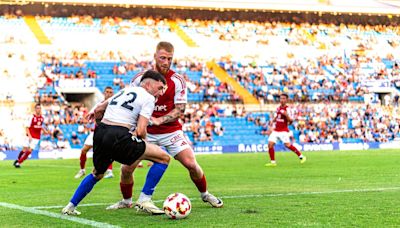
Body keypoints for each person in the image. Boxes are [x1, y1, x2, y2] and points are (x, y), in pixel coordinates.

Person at [107, 41, 223, 214]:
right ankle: (126, 201)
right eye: (162, 58)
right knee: (126, 169)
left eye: (169, 59)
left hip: (171, 131)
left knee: (191, 163)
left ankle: (205, 194)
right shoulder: (140, 78)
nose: (166, 62)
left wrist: (160, 120)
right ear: (155, 57)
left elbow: (180, 109)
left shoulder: (178, 80)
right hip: (146, 131)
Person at [62, 70, 170, 216]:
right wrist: (145, 144)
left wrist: (103, 127)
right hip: (119, 135)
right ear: (148, 84)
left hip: (100, 133)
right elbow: (141, 129)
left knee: (97, 174)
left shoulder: (124, 90)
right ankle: (145, 199)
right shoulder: (148, 98)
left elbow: (98, 110)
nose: (161, 93)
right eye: (160, 88)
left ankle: (70, 206)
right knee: (163, 158)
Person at [74, 86, 115, 179]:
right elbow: (89, 116)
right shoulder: (98, 105)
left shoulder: (114, 106)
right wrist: (82, 120)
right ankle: (82, 170)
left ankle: (109, 171)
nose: (108, 94)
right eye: (107, 92)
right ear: (104, 93)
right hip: (96, 131)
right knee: (84, 150)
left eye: (110, 92)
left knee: (107, 151)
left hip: (108, 132)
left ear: (113, 94)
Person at [265, 93, 306, 167]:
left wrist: (286, 115)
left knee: (287, 145)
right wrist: (273, 121)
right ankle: (273, 162)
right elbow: (277, 116)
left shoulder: (288, 109)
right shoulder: (278, 108)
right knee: (270, 144)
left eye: (283, 98)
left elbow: (291, 121)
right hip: (276, 130)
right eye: (281, 98)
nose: (282, 100)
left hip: (283, 130)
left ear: (286, 100)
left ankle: (301, 156)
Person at [13, 104, 48, 168]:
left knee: (30, 150)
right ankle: (18, 160)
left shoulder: (42, 118)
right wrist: (29, 136)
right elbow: (27, 127)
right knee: (24, 150)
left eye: (40, 108)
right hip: (29, 136)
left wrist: (44, 130)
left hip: (36, 137)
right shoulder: (31, 117)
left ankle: (19, 163)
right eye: (37, 108)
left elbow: (39, 126)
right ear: (35, 109)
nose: (39, 109)